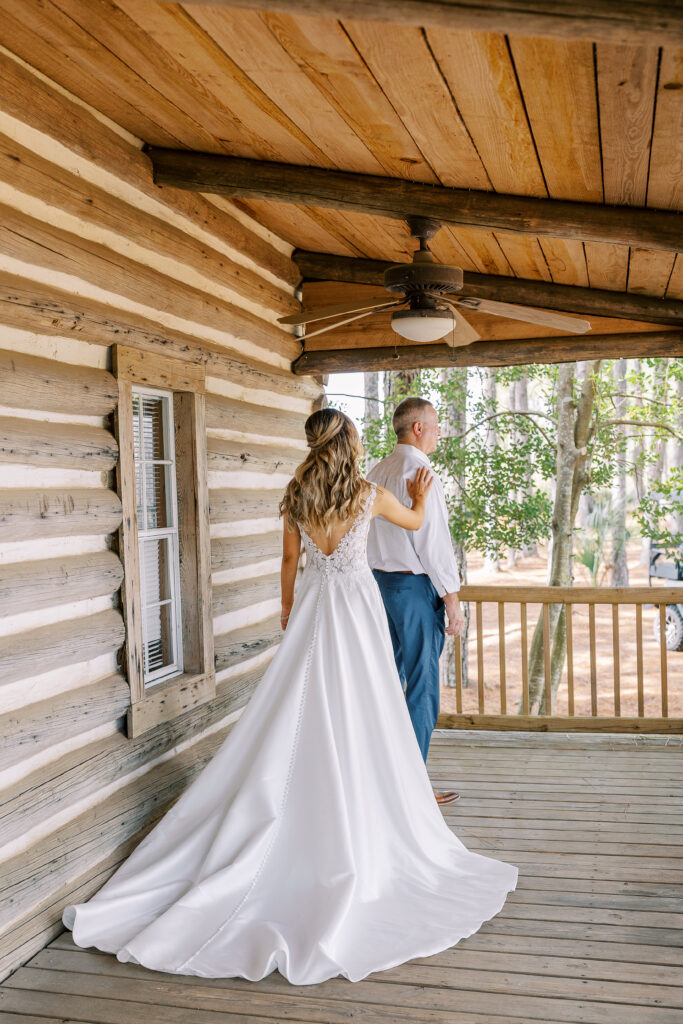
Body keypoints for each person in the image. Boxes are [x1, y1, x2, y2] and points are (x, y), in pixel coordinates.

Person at [62, 407, 518, 986]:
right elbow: (411, 521)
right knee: (364, 704)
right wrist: (425, 496)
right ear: (349, 443)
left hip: (313, 607)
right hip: (355, 613)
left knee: (300, 699)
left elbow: (288, 560)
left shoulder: (297, 493)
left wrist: (286, 608)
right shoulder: (367, 492)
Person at [367, 396, 464, 804]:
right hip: (413, 588)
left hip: (378, 588)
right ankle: (410, 790)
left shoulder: (377, 469)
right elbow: (434, 543)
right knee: (422, 686)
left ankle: (385, 779)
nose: (440, 431)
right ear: (418, 428)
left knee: (387, 684)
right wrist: (453, 600)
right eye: (436, 424)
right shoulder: (419, 471)